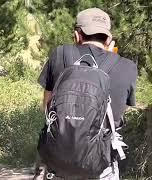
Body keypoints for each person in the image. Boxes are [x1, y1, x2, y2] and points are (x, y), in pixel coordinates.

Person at [37, 8, 137, 179]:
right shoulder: (127, 66)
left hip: (57, 161)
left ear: (77, 35)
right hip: (101, 164)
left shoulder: (59, 54)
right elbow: (117, 117)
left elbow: (46, 108)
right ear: (109, 39)